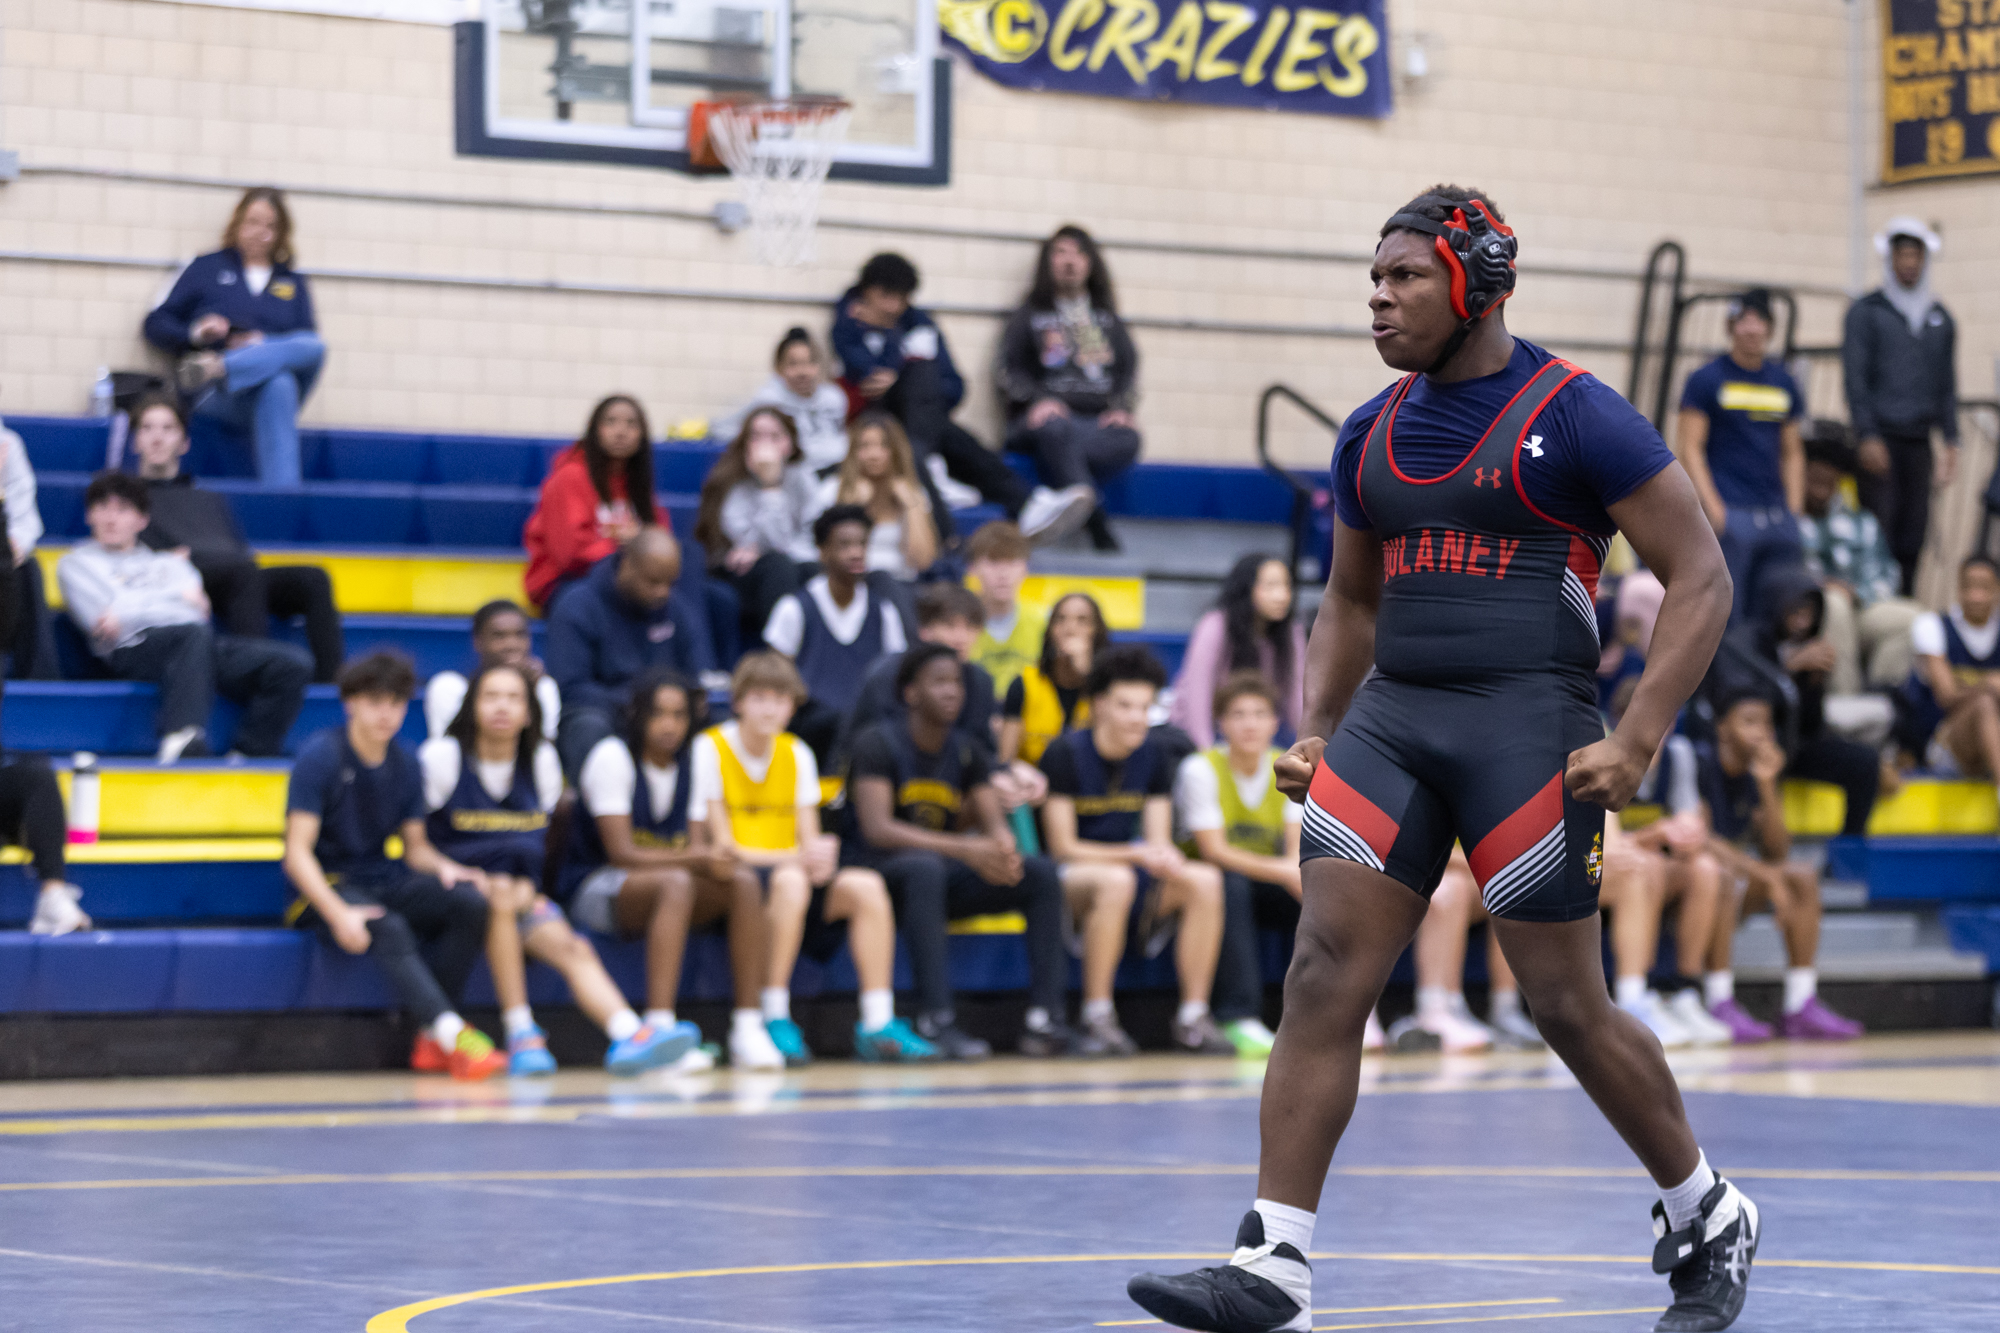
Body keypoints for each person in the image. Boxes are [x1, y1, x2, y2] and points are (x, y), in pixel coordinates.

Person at [1129, 186, 1757, 1333]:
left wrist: (1634, 736)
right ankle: (1272, 1262)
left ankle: (1704, 1208)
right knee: (1322, 971)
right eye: (1373, 276)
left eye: (1405, 276)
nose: (1379, 296)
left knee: (1565, 1004)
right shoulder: (1367, 428)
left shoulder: (1575, 413)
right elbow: (1349, 598)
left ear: (1477, 283)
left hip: (1531, 727)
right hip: (1394, 720)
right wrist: (1315, 721)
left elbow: (1700, 574)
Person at [421, 662, 699, 1076]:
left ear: (530, 712)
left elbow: (537, 848)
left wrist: (528, 888)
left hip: (519, 895)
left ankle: (629, 1035)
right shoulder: (442, 759)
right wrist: (459, 873)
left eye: (514, 698)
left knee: (572, 946)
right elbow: (415, 845)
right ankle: (522, 1032)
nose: (502, 707)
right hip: (451, 899)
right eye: (491, 696)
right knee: (498, 896)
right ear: (471, 706)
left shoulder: (542, 763)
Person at [689, 652, 937, 1065]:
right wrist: (797, 857)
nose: (771, 708)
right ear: (738, 702)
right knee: (791, 879)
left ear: (793, 705)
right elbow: (723, 846)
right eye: (760, 697)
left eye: (781, 698)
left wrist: (819, 856)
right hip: (741, 881)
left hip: (791, 874)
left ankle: (877, 1022)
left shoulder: (796, 752)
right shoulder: (710, 748)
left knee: (866, 886)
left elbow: (809, 837)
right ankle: (774, 1014)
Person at [848, 642, 1078, 1058]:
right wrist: (964, 850)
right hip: (880, 879)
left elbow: (992, 821)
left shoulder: (966, 748)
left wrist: (1002, 852)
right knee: (924, 869)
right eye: (938, 682)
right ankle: (937, 1019)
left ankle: (1046, 1020)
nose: (952, 691)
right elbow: (878, 829)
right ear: (910, 693)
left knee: (1039, 874)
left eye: (956, 681)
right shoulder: (877, 743)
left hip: (939, 876)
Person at [283, 653, 505, 1081]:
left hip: (379, 877)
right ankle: (453, 1033)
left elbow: (416, 848)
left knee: (470, 903)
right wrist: (336, 912)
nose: (387, 714)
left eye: (396, 703)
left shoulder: (405, 763)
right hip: (324, 885)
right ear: (350, 703)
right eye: (375, 702)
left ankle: (431, 1035)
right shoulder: (321, 757)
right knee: (388, 925)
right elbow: (297, 852)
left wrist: (449, 869)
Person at [562, 669, 780, 1071]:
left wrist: (712, 859)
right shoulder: (612, 756)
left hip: (664, 883)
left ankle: (748, 1028)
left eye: (679, 715)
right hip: (596, 886)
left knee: (744, 882)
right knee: (678, 882)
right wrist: (699, 860)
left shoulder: (698, 758)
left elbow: (696, 845)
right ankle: (659, 1030)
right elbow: (621, 853)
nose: (669, 725)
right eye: (659, 714)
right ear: (638, 715)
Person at [1040, 645, 1234, 1057]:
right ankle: (1097, 1015)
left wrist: (1165, 856)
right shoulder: (1064, 753)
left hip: (1131, 873)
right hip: (1072, 880)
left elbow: (1157, 838)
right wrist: (1137, 853)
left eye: (1144, 707)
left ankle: (1192, 1017)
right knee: (1116, 881)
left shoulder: (1155, 755)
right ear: (1098, 706)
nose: (1136, 717)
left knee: (1205, 881)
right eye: (1125, 706)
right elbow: (1062, 848)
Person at [830, 252, 1094, 543]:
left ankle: (1017, 501)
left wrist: (905, 382)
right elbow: (863, 372)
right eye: (886, 297)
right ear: (866, 291)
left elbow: (953, 386)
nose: (893, 307)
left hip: (919, 420)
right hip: (876, 421)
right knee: (929, 409)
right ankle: (1024, 502)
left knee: (928, 389)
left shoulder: (920, 323)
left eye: (901, 299)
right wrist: (894, 351)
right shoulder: (848, 320)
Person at [57, 472, 311, 764]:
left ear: (142, 520)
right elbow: (101, 624)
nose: (111, 518)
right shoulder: (76, 563)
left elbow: (196, 613)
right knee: (191, 636)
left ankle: (247, 755)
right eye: (102, 508)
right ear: (89, 515)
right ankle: (180, 739)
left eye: (123, 509)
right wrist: (175, 598)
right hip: (134, 648)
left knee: (291, 665)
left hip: (194, 643)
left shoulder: (169, 563)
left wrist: (125, 607)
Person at [127, 393, 344, 682]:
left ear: (184, 442)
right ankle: (260, 673)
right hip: (184, 578)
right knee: (243, 571)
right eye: (147, 428)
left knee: (313, 578)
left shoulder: (207, 497)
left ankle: (334, 682)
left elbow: (236, 547)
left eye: (168, 429)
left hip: (236, 575)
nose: (157, 438)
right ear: (135, 441)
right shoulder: (127, 501)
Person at [1696, 692, 1862, 1042]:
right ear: (1723, 729)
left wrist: (1767, 785)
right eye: (1749, 721)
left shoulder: (1757, 773)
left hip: (1737, 885)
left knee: (1801, 875)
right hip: (1695, 889)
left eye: (1767, 724)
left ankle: (1800, 1005)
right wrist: (1765, 878)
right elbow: (1702, 840)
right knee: (1721, 874)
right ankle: (1719, 1001)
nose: (1761, 732)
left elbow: (1778, 849)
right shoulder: (1702, 764)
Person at [142, 187, 324, 486]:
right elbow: (154, 324)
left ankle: (224, 363)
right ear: (237, 223)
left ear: (281, 233)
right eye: (253, 222)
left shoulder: (292, 282)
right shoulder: (205, 267)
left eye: (270, 226)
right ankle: (284, 501)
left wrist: (260, 348)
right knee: (280, 384)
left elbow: (304, 350)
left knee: (310, 349)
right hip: (218, 393)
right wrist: (197, 333)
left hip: (263, 390)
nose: (260, 233)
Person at [1176, 673, 1302, 1058]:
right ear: (1222, 724)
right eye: (1239, 714)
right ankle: (1238, 1015)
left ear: (1275, 723)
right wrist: (1286, 871)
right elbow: (1213, 850)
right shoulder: (1199, 768)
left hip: (1264, 879)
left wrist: (1299, 877)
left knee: (1321, 891)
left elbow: (1295, 851)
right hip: (1200, 887)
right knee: (1230, 883)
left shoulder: (1287, 766)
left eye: (1260, 714)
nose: (1250, 724)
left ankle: (1323, 1015)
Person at [1707, 564, 1881, 839]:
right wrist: (1788, 667)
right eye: (1796, 613)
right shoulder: (1743, 641)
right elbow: (1738, 699)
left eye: (1810, 615)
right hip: (1749, 742)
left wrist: (1813, 684)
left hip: (1792, 744)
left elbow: (1811, 725)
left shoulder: (1811, 645)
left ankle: (1849, 850)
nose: (1803, 623)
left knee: (1865, 762)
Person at [1000, 225, 1143, 551]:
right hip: (1041, 423)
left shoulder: (1107, 319)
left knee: (1129, 438)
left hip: (1095, 423)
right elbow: (1008, 371)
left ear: (1091, 263)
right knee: (1056, 430)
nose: (1069, 262)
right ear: (1047, 262)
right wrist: (1037, 401)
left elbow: (1128, 371)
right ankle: (1098, 523)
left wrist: (1121, 409)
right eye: (1060, 252)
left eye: (1078, 253)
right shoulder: (1029, 316)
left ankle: (1083, 500)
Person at [1674, 288, 1807, 623]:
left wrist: (1793, 509)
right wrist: (1715, 510)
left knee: (1779, 610)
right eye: (1743, 320)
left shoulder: (1784, 382)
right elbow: (1690, 448)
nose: (1751, 328)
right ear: (1731, 327)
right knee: (1727, 612)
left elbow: (1793, 452)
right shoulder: (1706, 379)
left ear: (1771, 328)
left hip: (1777, 516)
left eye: (1759, 320)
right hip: (1732, 514)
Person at [1843, 217, 1959, 596]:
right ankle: (1875, 605)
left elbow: (1946, 384)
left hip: (1919, 441)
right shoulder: (1867, 312)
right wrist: (1867, 433)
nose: (1909, 263)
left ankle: (1905, 609)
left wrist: (1952, 440)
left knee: (1914, 534)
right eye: (1902, 255)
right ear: (1890, 259)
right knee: (1881, 530)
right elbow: (1855, 378)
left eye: (1916, 255)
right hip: (1882, 439)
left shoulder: (1941, 319)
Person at [546, 526, 717, 777]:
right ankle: (593, 810)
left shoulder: (676, 609)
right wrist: (641, 706)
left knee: (721, 723)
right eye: (653, 582)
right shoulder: (577, 605)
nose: (663, 592)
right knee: (586, 725)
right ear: (627, 564)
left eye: (670, 583)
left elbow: (696, 675)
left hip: (667, 710)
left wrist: (691, 700)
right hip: (607, 709)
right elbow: (572, 687)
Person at [762, 505, 909, 763]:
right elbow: (777, 679)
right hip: (809, 729)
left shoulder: (884, 612)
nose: (856, 553)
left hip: (867, 730)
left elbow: (894, 679)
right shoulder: (793, 608)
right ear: (822, 551)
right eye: (845, 545)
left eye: (862, 544)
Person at [1798, 427, 1922, 696]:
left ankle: (1881, 703)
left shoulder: (1861, 522)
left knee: (1914, 619)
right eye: (1814, 480)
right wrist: (1825, 586)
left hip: (1861, 607)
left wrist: (1857, 593)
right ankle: (1846, 703)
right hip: (1812, 614)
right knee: (1834, 602)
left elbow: (1887, 574)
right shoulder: (1787, 521)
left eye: (1828, 483)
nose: (1821, 490)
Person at [523, 395, 666, 612]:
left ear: (642, 436)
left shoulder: (639, 485)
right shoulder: (570, 476)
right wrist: (627, 546)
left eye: (631, 424)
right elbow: (569, 555)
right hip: (565, 581)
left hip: (627, 576)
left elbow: (661, 538)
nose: (621, 431)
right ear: (594, 430)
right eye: (610, 422)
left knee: (707, 589)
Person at [693, 405, 819, 648]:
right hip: (737, 571)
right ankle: (779, 656)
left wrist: (761, 548)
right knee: (778, 565)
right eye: (757, 436)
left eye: (775, 437)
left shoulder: (803, 480)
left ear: (790, 444)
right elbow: (773, 543)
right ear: (744, 444)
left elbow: (810, 537)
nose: (766, 446)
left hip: (788, 562)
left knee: (812, 571)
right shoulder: (731, 482)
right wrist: (769, 486)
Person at [1169, 555, 1307, 748]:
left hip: (1252, 738)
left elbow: (1296, 696)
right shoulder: (1215, 625)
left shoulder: (1291, 631)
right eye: (1271, 586)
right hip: (1196, 737)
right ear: (1246, 588)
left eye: (1286, 586)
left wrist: (1306, 743)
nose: (1282, 596)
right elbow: (1197, 694)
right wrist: (1206, 754)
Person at [845, 581, 997, 754]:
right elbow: (855, 745)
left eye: (970, 627)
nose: (961, 637)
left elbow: (984, 753)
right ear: (924, 630)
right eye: (950, 626)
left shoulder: (981, 682)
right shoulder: (885, 676)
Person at [1899, 555, 2000, 778]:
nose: (1975, 596)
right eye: (1968, 587)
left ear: (1997, 590)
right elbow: (1947, 696)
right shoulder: (1932, 626)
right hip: (1944, 742)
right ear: (1958, 588)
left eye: (1984, 588)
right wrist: (1989, 684)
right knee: (1984, 704)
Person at [717, 327, 854, 474]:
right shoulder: (768, 400)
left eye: (810, 363)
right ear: (779, 368)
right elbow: (722, 428)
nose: (803, 372)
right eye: (793, 364)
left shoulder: (834, 397)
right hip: (791, 473)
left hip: (837, 471)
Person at [423, 599, 561, 742]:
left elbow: (542, 751)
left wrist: (530, 693)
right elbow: (448, 748)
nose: (511, 645)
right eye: (499, 635)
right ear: (478, 641)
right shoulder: (449, 688)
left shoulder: (542, 687)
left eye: (520, 634)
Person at [999, 592, 1105, 768]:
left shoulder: (1107, 688)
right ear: (1050, 630)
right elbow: (1004, 762)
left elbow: (1113, 750)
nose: (1070, 629)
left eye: (1082, 620)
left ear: (1096, 631)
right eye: (1060, 619)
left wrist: (1089, 675)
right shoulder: (1024, 684)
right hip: (1033, 786)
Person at [829, 411, 939, 581]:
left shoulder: (914, 494)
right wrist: (853, 509)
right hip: (853, 583)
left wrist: (911, 506)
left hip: (901, 584)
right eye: (865, 446)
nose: (874, 455)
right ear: (853, 451)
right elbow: (828, 556)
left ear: (896, 451)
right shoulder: (833, 490)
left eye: (884, 446)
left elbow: (922, 561)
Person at [2, 416, 55, 679]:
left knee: (26, 569)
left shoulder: (8, 443)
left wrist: (15, 544)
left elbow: (24, 518)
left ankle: (39, 682)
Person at [964, 521, 1044, 695]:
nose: (1003, 574)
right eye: (993, 562)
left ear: (1026, 568)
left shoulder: (1044, 623)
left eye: (1012, 562)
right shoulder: (958, 625)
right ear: (972, 568)